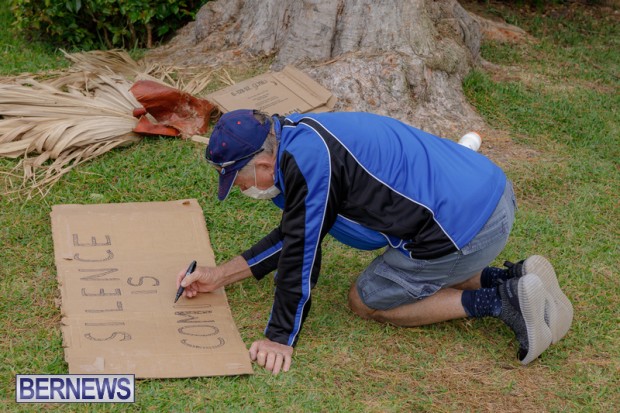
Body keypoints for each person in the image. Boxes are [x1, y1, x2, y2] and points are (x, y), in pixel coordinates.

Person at [176, 109, 573, 375]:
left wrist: (279, 338)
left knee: (366, 299)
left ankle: (502, 301)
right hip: (490, 190)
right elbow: (295, 233)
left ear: (263, 163)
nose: (239, 188)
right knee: (421, 273)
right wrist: (219, 276)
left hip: (466, 227)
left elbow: (300, 252)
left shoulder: (309, 165)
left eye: (237, 179)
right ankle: (514, 278)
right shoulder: (298, 134)